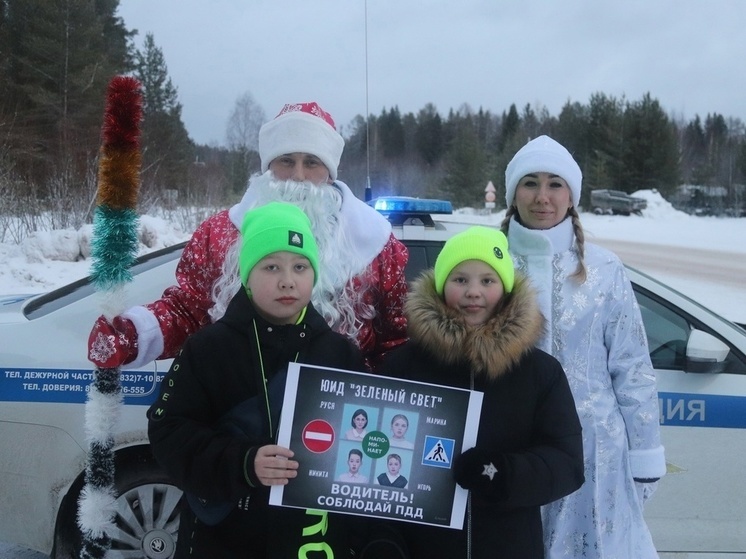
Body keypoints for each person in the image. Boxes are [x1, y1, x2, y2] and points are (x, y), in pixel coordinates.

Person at [88, 101, 408, 372]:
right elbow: (189, 309)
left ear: (329, 170)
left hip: (334, 419)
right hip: (237, 410)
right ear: (269, 166)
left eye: (311, 162)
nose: (298, 175)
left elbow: (396, 337)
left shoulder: (374, 242)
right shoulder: (222, 233)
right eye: (286, 161)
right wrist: (134, 333)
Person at [147, 202, 368, 557]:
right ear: (247, 275)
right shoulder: (208, 348)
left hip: (312, 537)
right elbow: (168, 432)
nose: (287, 280)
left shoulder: (341, 354)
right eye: (270, 267)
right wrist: (244, 463)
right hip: (225, 534)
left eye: (300, 266)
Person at [501, 135, 667, 558]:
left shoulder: (604, 268)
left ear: (571, 194)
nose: (542, 197)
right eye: (530, 183)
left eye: (555, 184)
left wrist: (644, 452)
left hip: (595, 453)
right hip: (512, 448)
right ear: (512, 193)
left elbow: (632, 369)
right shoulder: (488, 262)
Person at [379, 226, 584, 558]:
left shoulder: (540, 372)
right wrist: (382, 541)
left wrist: (500, 473)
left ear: (505, 289)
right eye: (460, 280)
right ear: (440, 286)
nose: (473, 292)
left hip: (508, 545)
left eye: (487, 281)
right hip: (420, 546)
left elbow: (567, 464)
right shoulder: (403, 366)